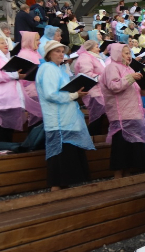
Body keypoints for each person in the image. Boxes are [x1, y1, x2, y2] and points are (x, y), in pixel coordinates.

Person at [36, 40, 94, 190]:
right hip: (57, 120)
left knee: (67, 161)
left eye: (63, 51)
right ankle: (56, 193)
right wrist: (74, 95)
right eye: (57, 51)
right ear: (49, 54)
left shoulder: (59, 69)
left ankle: (64, 193)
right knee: (59, 162)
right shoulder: (47, 68)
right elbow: (50, 94)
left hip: (67, 118)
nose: (61, 54)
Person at [99, 43, 145, 179]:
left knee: (131, 151)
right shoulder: (112, 67)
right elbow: (114, 86)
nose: (129, 56)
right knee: (121, 150)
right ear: (117, 53)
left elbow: (138, 92)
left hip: (134, 112)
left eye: (129, 53)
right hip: (121, 114)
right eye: (125, 53)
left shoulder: (129, 69)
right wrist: (131, 78)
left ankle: (128, 177)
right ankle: (117, 178)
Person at [73, 40, 107, 135]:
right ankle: (93, 139)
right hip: (93, 92)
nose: (99, 49)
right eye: (97, 46)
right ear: (90, 48)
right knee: (96, 119)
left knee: (99, 118)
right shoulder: (85, 58)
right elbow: (87, 76)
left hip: (98, 91)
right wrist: (104, 77)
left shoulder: (92, 57)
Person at [17, 31, 44, 127]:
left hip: (38, 89)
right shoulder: (24, 55)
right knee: (35, 122)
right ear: (29, 41)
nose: (39, 42)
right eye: (37, 40)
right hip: (31, 91)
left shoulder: (35, 53)